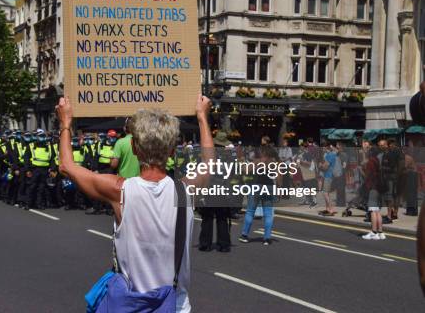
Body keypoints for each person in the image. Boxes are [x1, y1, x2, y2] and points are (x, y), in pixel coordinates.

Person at [57, 95, 213, 312]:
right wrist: (202, 117)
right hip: (175, 306)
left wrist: (65, 123)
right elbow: (210, 164)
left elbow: (66, 166)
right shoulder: (186, 190)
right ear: (172, 151)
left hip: (130, 305)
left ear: (133, 147)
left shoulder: (120, 191)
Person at [239, 145, 278, 246]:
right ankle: (267, 238)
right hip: (269, 186)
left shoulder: (257, 161)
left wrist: (243, 162)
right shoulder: (273, 162)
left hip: (256, 186)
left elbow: (246, 171)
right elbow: (279, 176)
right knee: (268, 213)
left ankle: (244, 235)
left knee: (250, 211)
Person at [362, 147, 385, 240]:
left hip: (373, 188)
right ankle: (381, 232)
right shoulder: (378, 161)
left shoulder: (370, 162)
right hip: (379, 187)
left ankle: (373, 232)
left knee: (372, 211)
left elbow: (367, 176)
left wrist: (361, 170)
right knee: (377, 211)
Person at [318, 142, 337, 216]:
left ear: (326, 147)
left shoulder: (329, 155)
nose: (322, 149)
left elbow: (325, 167)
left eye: (323, 147)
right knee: (327, 193)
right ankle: (327, 209)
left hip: (328, 176)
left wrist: (320, 166)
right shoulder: (333, 154)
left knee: (325, 193)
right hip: (330, 175)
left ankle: (331, 210)